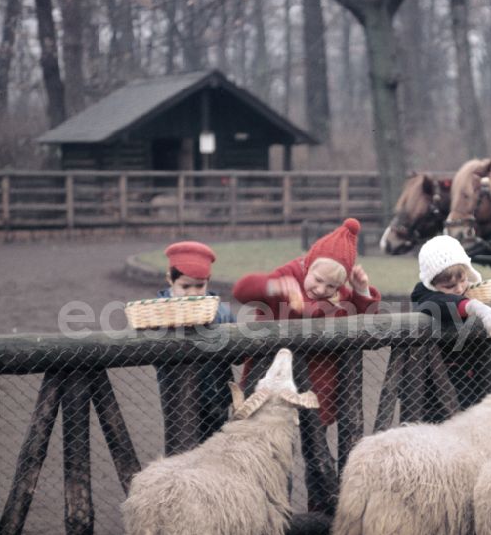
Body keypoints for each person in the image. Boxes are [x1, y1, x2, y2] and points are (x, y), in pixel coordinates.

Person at [231, 219, 380, 512]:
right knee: (273, 452)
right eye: (317, 279)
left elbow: (369, 321)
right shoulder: (288, 275)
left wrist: (362, 291)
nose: (321, 288)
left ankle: (319, 515)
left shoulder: (343, 294)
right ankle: (272, 514)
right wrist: (274, 286)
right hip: (273, 381)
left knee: (316, 451)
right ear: (307, 264)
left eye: (332, 285)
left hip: (317, 387)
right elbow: (242, 290)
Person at [156, 241, 235, 451]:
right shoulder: (157, 311)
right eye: (185, 286)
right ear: (170, 281)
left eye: (199, 286)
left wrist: (212, 322)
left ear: (208, 282)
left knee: (216, 451)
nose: (193, 292)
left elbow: (238, 353)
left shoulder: (222, 311)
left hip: (216, 395)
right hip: (177, 396)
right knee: (180, 451)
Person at [410, 234, 491, 412]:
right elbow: (439, 304)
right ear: (432, 284)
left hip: (474, 377)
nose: (459, 289)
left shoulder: (474, 291)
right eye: (450, 287)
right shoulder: (422, 294)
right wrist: (472, 306)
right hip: (433, 386)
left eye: (463, 280)